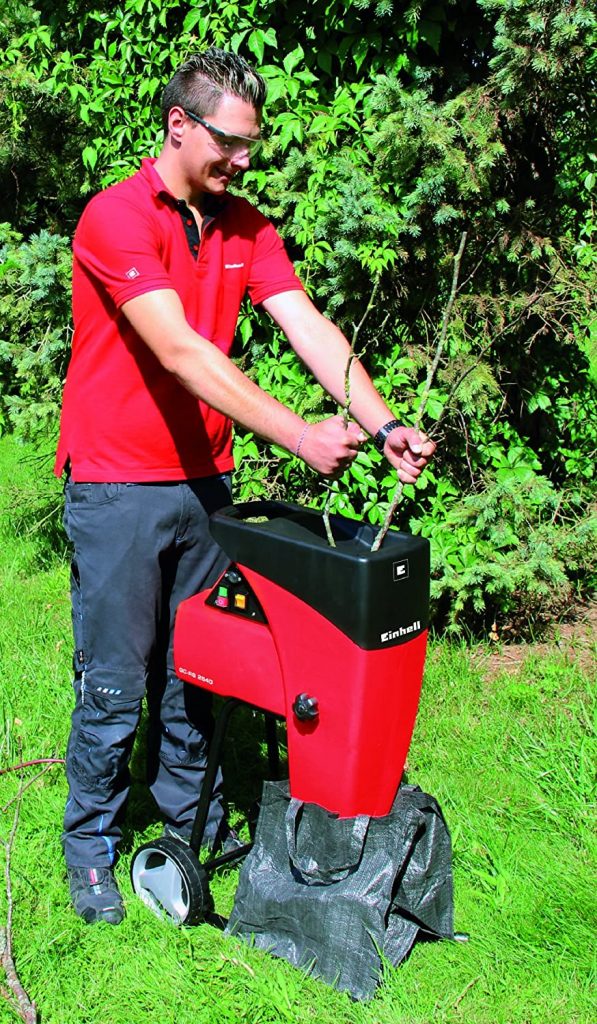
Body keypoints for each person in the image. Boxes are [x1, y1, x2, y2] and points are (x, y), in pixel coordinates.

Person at [55, 46, 436, 925]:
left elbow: (305, 322)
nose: (243, 160)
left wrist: (379, 423)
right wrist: (301, 435)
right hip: (117, 487)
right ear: (179, 126)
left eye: (252, 145)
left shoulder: (244, 224)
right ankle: (90, 851)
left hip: (206, 487)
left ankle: (182, 830)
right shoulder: (116, 217)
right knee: (115, 684)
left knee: (199, 671)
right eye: (230, 143)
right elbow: (182, 352)